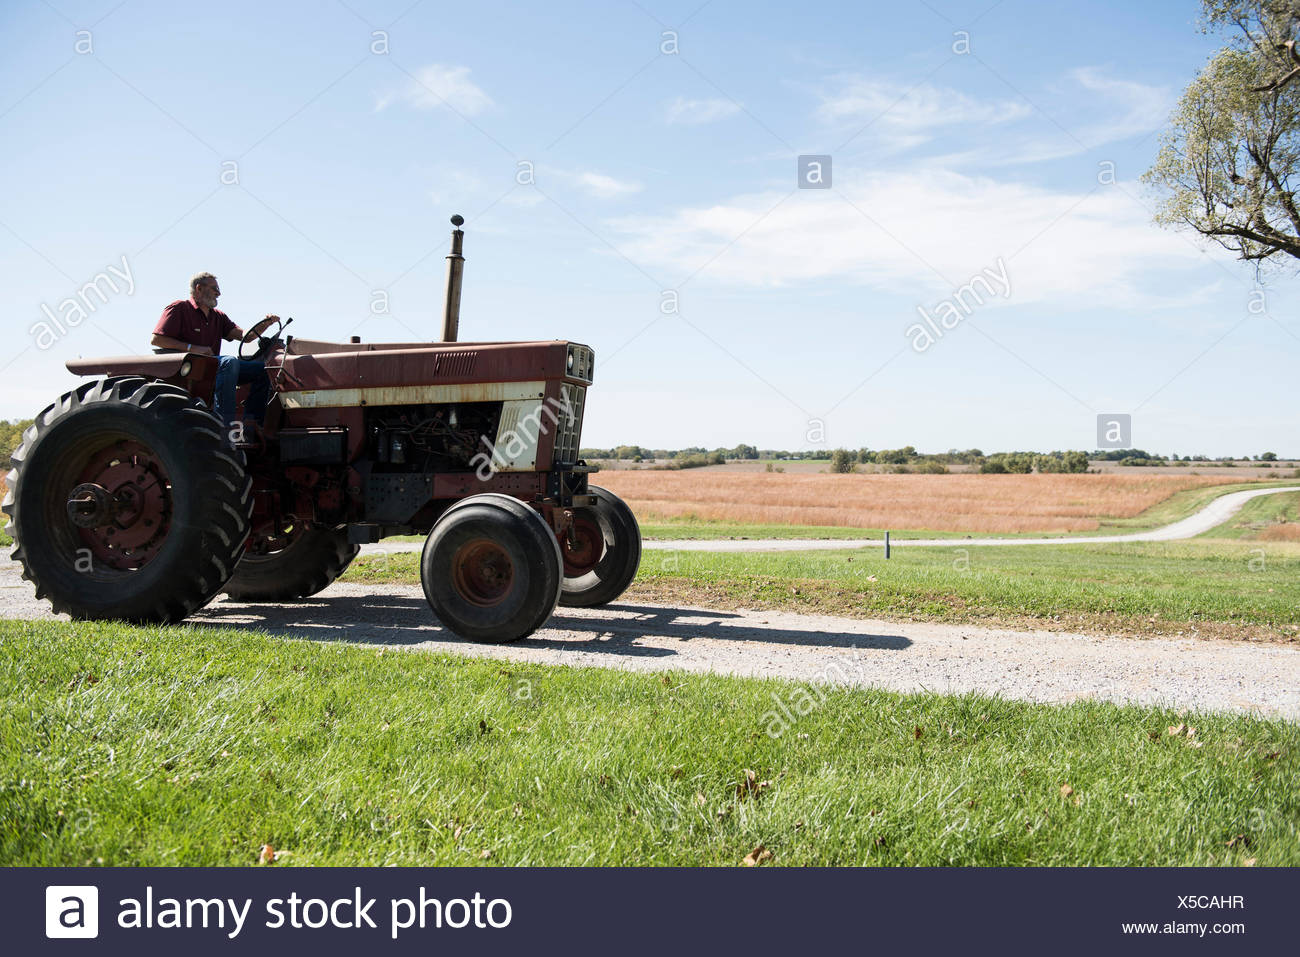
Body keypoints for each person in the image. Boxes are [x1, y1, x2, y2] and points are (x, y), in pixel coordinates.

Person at [151, 271, 275, 431]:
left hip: (214, 367)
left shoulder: (218, 316)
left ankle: (251, 427)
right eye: (214, 288)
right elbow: (157, 339)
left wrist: (265, 324)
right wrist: (193, 348)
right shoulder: (179, 308)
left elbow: (246, 336)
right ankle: (223, 425)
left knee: (263, 371)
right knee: (229, 362)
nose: (219, 293)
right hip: (187, 368)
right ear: (199, 288)